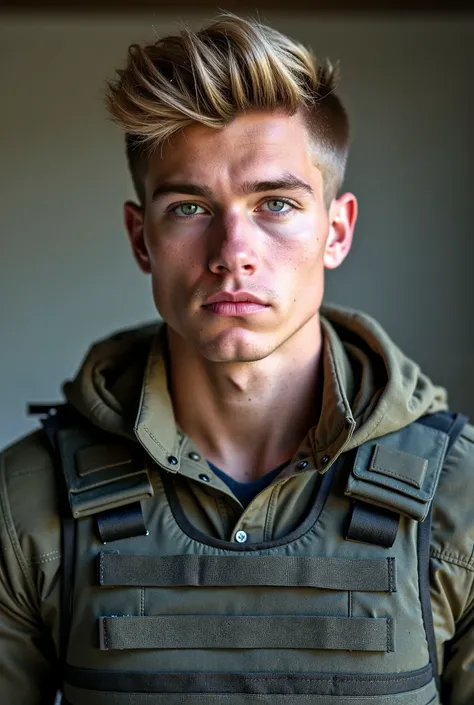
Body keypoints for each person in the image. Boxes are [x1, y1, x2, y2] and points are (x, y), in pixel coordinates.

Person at [0, 11, 473, 705]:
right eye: (190, 208)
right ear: (142, 239)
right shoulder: (26, 502)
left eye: (275, 204)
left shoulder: (460, 499)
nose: (233, 253)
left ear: (335, 232)